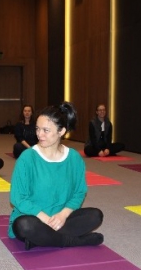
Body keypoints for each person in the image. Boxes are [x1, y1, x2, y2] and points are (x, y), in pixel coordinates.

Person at [8, 102, 104, 250]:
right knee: (23, 226)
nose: (39, 134)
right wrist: (46, 219)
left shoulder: (74, 158)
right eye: (37, 129)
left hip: (61, 219)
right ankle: (73, 241)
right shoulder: (27, 157)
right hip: (35, 218)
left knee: (96, 216)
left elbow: (79, 192)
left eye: (46, 130)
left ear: (61, 131)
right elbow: (18, 198)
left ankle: (42, 240)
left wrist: (63, 216)